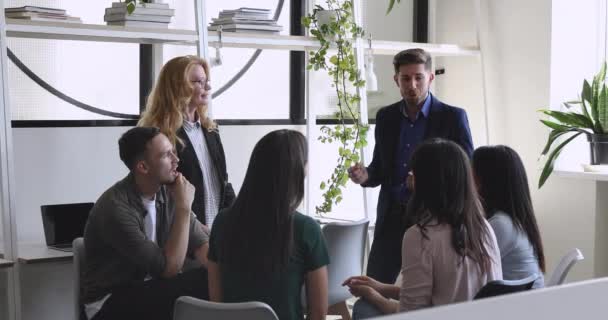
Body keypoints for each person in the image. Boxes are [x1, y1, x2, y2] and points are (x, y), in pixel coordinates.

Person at [348, 48, 474, 284]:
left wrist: (428, 182)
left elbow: (465, 170)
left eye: (418, 77)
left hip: (433, 218)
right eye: (405, 78)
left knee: (428, 289)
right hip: (391, 216)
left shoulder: (452, 117)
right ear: (396, 80)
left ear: (430, 78)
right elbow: (380, 169)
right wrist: (365, 175)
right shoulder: (386, 117)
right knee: (374, 285)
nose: (412, 85)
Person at [344, 139, 501, 319]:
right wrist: (380, 287)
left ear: (427, 181)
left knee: (364, 308)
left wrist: (374, 296)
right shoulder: (483, 227)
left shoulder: (421, 236)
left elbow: (410, 315)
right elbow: (446, 291)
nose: (410, 176)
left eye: (414, 172)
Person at [81, 127, 210, 320]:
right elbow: (168, 269)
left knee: (213, 277)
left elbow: (203, 246)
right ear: (143, 167)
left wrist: (229, 271)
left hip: (149, 291)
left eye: (173, 152)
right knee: (201, 282)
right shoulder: (115, 208)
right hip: (109, 303)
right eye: (167, 155)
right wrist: (184, 208)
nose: (176, 160)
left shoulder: (169, 192)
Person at [207, 129, 330, 320]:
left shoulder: (222, 222)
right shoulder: (306, 229)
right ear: (298, 169)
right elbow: (319, 313)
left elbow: (216, 303)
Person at [138, 55, 235, 229]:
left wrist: (237, 218)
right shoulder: (158, 134)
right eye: (198, 81)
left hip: (217, 231)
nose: (208, 87)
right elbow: (160, 193)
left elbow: (224, 183)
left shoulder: (211, 130)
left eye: (206, 80)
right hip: (182, 233)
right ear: (177, 87)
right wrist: (197, 228)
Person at [473, 145, 546, 288]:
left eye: (471, 174)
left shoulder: (500, 225)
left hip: (519, 307)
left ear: (484, 181)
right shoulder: (514, 220)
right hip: (527, 304)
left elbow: (468, 271)